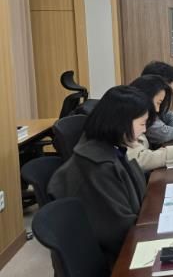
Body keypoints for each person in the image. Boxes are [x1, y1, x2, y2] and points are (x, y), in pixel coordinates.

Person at [48, 86, 148, 267]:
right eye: (142, 124)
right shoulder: (98, 166)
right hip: (115, 263)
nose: (145, 130)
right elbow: (120, 232)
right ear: (121, 122)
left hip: (121, 245)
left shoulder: (108, 147)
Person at [128, 75, 173, 171]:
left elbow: (169, 114)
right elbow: (139, 159)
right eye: (158, 103)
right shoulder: (129, 122)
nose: (157, 109)